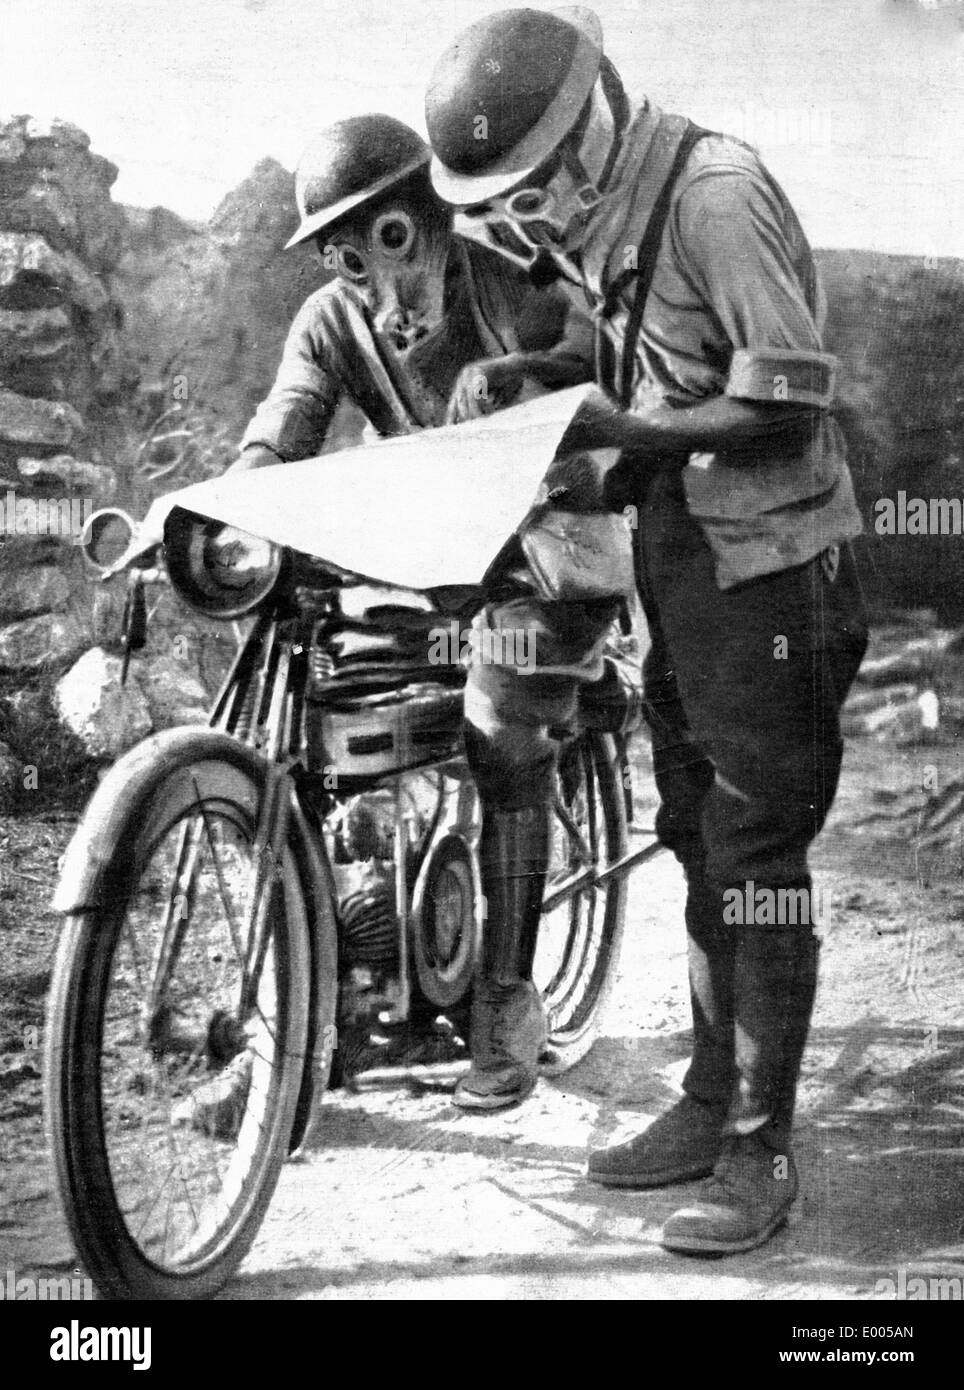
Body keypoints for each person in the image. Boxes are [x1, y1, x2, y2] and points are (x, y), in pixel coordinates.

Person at [425, 5, 868, 1251]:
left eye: (540, 181)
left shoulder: (713, 194)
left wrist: (616, 436)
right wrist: (540, 381)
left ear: (594, 118)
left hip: (775, 578)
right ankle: (707, 1099)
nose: (537, 210)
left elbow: (783, 401)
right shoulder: (603, 196)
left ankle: (758, 1150)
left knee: (759, 860)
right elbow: (612, 340)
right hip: (683, 560)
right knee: (692, 831)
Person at [230, 113, 639, 1112]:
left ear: (426, 217)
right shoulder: (331, 320)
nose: (370, 278)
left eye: (386, 242)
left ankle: (504, 1003)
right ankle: (290, 1020)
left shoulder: (512, 274)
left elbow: (611, 363)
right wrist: (244, 496)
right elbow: (284, 424)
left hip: (546, 551)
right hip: (432, 563)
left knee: (499, 727)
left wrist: (521, 381)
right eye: (342, 255)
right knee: (282, 718)